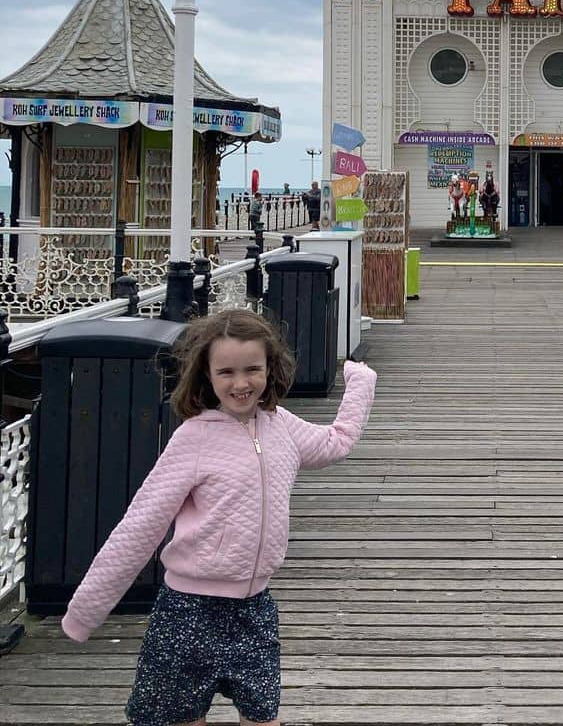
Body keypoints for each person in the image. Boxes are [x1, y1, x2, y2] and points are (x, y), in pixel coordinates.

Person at [60, 309, 377, 726]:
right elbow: (141, 526)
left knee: (262, 717)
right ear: (206, 374)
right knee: (180, 718)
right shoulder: (194, 438)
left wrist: (361, 382)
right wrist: (86, 611)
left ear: (270, 369)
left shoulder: (282, 426)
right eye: (226, 371)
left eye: (252, 369)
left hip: (254, 609)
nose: (241, 383)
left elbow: (337, 440)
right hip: (188, 611)